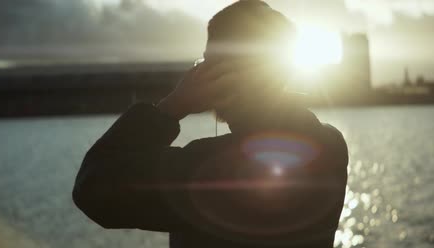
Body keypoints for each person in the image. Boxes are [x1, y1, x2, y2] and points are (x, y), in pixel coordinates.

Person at [72, 1, 349, 247]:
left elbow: (94, 186)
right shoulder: (330, 144)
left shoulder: (216, 171)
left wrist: (172, 106)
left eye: (209, 62)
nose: (199, 72)